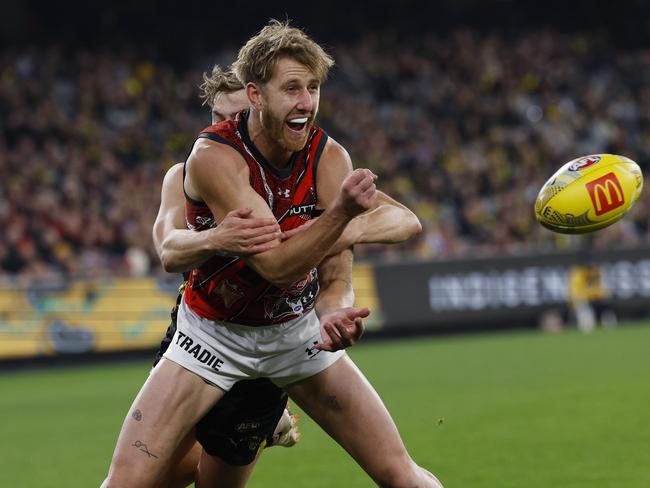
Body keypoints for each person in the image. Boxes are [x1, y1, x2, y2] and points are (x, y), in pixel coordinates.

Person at [102, 21, 442, 488]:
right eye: (292, 88)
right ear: (255, 98)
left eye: (313, 88)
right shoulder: (209, 159)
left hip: (293, 335)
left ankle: (269, 412)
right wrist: (222, 238)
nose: (306, 101)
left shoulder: (327, 156)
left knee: (398, 473)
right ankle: (269, 416)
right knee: (137, 481)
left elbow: (400, 224)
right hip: (211, 337)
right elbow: (263, 264)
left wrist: (333, 302)